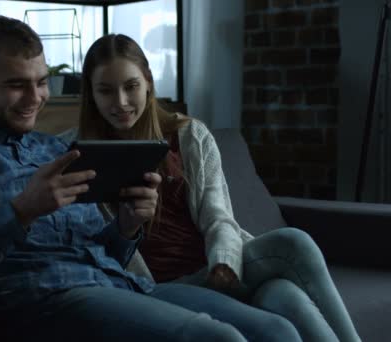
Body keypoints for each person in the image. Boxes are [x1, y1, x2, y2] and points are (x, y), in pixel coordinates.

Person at [0, 16, 302, 342]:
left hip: (119, 284)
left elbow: (105, 251)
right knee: (219, 339)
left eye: (42, 81)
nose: (35, 97)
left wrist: (128, 227)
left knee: (275, 330)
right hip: (41, 299)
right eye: (16, 85)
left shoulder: (54, 150)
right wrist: (21, 213)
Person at [69, 33, 361, 342]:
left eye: (131, 87)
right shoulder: (72, 154)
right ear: (91, 93)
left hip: (216, 269)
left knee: (288, 296)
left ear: (149, 83)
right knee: (293, 244)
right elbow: (87, 250)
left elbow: (218, 218)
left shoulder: (191, 136)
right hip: (161, 286)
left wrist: (223, 264)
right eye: (106, 91)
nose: (121, 102)